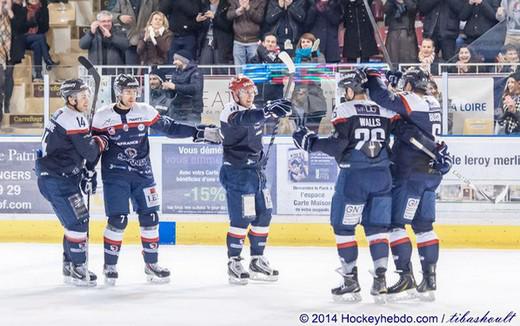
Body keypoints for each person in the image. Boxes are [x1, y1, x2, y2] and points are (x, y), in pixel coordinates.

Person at [91, 74, 220, 285]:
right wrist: (88, 171)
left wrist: (199, 132)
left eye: (134, 91)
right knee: (118, 220)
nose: (132, 95)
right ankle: (110, 265)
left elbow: (171, 127)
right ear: (118, 93)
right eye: (127, 92)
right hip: (116, 176)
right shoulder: (102, 116)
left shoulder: (144, 111)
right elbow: (92, 147)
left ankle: (151, 264)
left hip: (143, 175)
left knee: (150, 218)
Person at [292, 69, 397, 303]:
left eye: (345, 89)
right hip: (382, 176)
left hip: (354, 178)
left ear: (351, 89)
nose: (344, 94)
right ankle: (380, 279)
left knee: (343, 227)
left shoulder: (345, 110)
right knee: (378, 228)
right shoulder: (385, 109)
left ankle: (350, 279)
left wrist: (311, 143)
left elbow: (338, 145)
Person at [366, 67, 453, 301]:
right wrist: (394, 86)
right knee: (424, 226)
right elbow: (403, 115)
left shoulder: (412, 99)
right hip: (431, 174)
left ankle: (406, 276)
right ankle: (429, 278)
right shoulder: (432, 101)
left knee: (396, 224)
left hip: (410, 173)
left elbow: (381, 98)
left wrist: (376, 77)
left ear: (409, 86)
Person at [35, 79, 109, 287]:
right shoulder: (74, 119)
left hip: (57, 176)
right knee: (78, 223)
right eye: (82, 96)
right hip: (58, 179)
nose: (86, 99)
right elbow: (90, 151)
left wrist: (84, 168)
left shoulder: (62, 114)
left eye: (87, 95)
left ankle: (69, 265)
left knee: (74, 221)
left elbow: (73, 149)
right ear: (70, 99)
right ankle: (78, 267)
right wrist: (99, 141)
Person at [219, 75, 292, 285]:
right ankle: (234, 261)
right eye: (245, 92)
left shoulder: (253, 111)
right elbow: (246, 119)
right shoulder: (230, 112)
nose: (249, 96)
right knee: (243, 217)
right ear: (234, 94)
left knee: (264, 214)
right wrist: (268, 111)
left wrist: (274, 107)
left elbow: (255, 115)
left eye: (252, 93)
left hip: (256, 173)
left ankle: (257, 259)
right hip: (237, 173)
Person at [161, 49, 203, 123]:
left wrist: (174, 86)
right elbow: (171, 95)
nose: (173, 62)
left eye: (175, 60)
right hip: (176, 111)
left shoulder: (196, 72)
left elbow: (195, 89)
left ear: (183, 60)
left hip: (191, 111)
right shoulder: (175, 73)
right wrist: (167, 89)